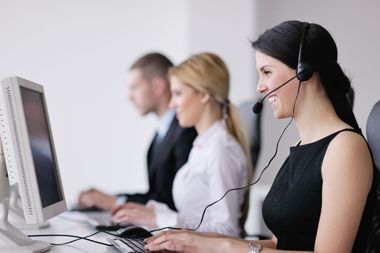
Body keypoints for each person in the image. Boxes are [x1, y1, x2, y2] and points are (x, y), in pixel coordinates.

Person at [144, 21, 378, 253]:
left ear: (303, 72)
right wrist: (198, 241)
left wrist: (223, 246)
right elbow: (280, 244)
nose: (260, 87)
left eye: (267, 72)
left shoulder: (346, 149)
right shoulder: (301, 146)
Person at [111, 52, 252, 237]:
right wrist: (153, 214)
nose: (171, 103)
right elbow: (194, 217)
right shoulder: (202, 145)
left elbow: (227, 232)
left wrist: (160, 220)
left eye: (177, 93)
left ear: (203, 95)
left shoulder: (220, 149)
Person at [77, 53, 197, 211]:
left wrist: (115, 203)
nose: (129, 97)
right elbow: (155, 194)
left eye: (134, 87)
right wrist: (110, 199)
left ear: (157, 86)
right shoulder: (162, 132)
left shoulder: (186, 132)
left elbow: (175, 203)